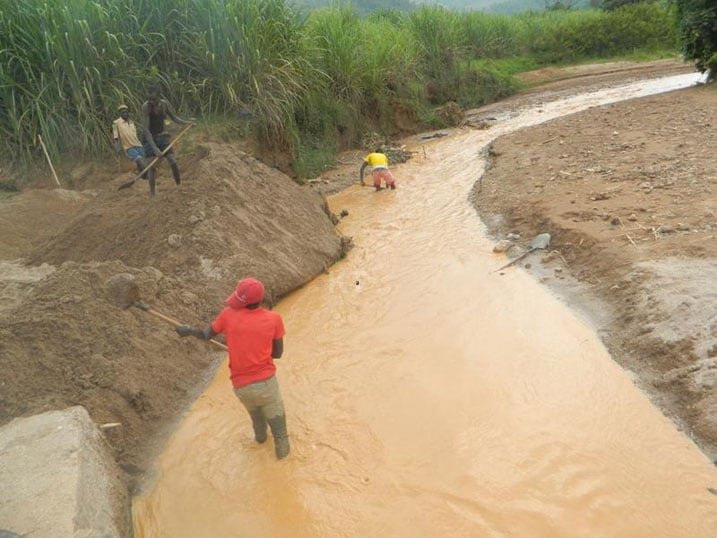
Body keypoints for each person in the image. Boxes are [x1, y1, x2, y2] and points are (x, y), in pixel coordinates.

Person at [175, 277, 290, 460]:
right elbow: (277, 354)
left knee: (259, 428)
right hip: (266, 385)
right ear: (260, 299)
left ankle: (260, 444)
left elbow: (206, 335)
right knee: (281, 436)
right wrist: (258, 351)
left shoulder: (228, 315)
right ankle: (283, 472)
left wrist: (188, 330)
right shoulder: (274, 319)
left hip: (241, 387)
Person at [141, 84, 194, 195]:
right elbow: (146, 130)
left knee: (173, 161)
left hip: (162, 136)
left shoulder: (164, 105)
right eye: (149, 99)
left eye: (153, 99)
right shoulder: (146, 107)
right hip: (150, 139)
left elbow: (174, 118)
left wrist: (187, 123)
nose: (151, 101)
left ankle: (179, 186)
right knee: (152, 167)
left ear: (159, 96)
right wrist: (155, 149)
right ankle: (152, 194)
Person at [112, 105, 148, 177]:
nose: (125, 114)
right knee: (139, 159)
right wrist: (117, 147)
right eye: (122, 112)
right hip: (128, 147)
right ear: (120, 114)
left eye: (126, 112)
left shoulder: (132, 122)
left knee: (143, 162)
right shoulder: (116, 123)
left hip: (138, 145)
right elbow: (116, 137)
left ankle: (142, 175)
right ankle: (148, 175)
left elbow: (136, 134)